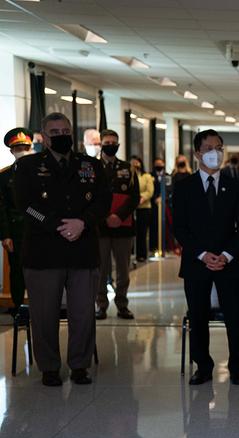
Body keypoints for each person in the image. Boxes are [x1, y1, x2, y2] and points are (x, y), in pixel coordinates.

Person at [13, 112, 112, 386]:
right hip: (44, 253)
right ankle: (49, 368)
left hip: (83, 251)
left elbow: (103, 202)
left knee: (82, 314)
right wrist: (57, 225)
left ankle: (80, 365)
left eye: (65, 130)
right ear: (44, 138)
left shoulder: (90, 165)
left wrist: (83, 222)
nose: (61, 136)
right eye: (54, 132)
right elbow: (26, 205)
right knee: (44, 315)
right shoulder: (28, 167)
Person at [173, 129, 239, 386]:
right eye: (208, 149)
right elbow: (180, 228)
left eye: (219, 148)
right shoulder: (184, 187)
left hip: (229, 263)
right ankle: (203, 366)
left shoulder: (235, 185)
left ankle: (237, 367)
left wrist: (226, 255)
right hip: (197, 263)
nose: (214, 153)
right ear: (197, 154)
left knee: (233, 316)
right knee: (198, 315)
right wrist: (204, 255)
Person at [95, 129, 139, 320]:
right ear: (101, 144)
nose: (111, 145)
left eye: (114, 142)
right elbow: (89, 197)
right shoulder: (92, 167)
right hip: (100, 227)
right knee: (100, 269)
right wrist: (105, 217)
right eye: (107, 142)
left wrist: (118, 216)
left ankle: (122, 304)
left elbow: (134, 197)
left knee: (123, 269)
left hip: (123, 226)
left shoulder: (128, 168)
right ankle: (101, 305)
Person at [0, 128, 32, 309]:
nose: (22, 151)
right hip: (16, 231)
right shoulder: (4, 176)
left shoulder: (42, 173)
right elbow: (2, 207)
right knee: (17, 272)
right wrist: (5, 235)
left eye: (25, 147)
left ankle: (41, 307)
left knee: (40, 271)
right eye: (18, 148)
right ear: (11, 151)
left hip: (40, 230)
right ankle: (19, 307)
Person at [132, 155, 154, 262]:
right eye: (133, 163)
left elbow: (150, 191)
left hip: (144, 207)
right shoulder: (129, 176)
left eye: (137, 162)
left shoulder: (146, 176)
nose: (135, 165)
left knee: (142, 232)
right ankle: (132, 253)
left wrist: (140, 198)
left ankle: (142, 254)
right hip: (131, 209)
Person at [150, 157, 169, 256]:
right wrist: (155, 198)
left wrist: (164, 197)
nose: (159, 165)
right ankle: (154, 247)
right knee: (154, 226)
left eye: (160, 163)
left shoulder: (167, 176)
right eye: (157, 164)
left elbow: (170, 188)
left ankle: (165, 247)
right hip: (154, 205)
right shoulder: (150, 176)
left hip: (165, 205)